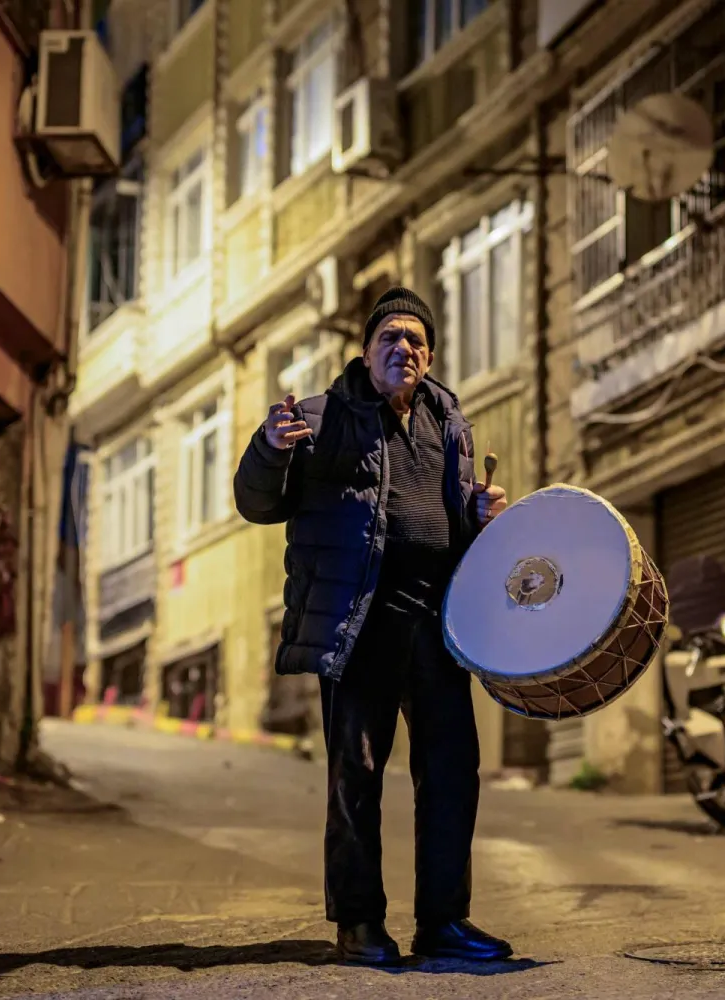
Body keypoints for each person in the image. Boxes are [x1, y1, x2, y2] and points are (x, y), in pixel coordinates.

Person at [233, 286, 513, 966]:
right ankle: (359, 923)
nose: (403, 349)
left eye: (415, 340)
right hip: (360, 623)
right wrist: (271, 447)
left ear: (430, 355)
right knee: (356, 774)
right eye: (389, 337)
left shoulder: (449, 421)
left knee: (451, 771)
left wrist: (480, 516)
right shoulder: (326, 417)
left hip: (437, 624)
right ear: (365, 351)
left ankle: (444, 922)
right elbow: (256, 502)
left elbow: (446, 517)